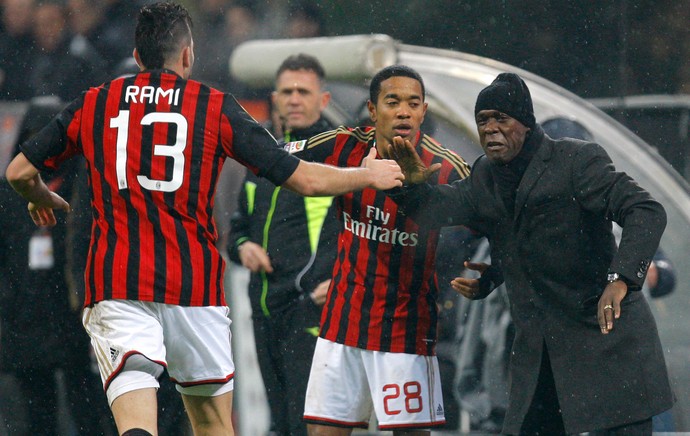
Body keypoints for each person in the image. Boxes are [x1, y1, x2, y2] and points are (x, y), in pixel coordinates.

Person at [3, 3, 404, 435]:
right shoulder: (214, 107)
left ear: (137, 57)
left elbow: (19, 172)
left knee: (136, 419)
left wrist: (38, 196)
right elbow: (303, 178)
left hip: (118, 284)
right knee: (213, 424)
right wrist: (368, 173)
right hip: (193, 288)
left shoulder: (94, 103)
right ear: (188, 56)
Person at [387, 72, 674, 435]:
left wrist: (621, 280)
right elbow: (439, 210)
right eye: (483, 120)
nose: (490, 128)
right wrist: (410, 188)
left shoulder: (576, 160)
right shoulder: (485, 178)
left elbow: (646, 211)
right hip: (542, 356)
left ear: (525, 123)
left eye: (501, 119)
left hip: (605, 342)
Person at [293, 64, 471, 434]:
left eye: (413, 103)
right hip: (342, 325)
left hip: (405, 330)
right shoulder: (343, 144)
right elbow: (278, 158)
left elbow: (489, 216)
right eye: (393, 102)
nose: (404, 111)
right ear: (373, 110)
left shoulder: (445, 166)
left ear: (424, 111)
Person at [227, 53, 337, 436]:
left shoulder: (337, 153)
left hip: (310, 308)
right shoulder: (264, 153)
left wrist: (343, 280)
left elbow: (358, 230)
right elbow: (237, 228)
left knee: (307, 420)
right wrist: (242, 247)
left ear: (322, 100)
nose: (293, 99)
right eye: (286, 91)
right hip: (263, 307)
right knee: (277, 422)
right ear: (274, 98)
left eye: (302, 92)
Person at [0, 97, 116, 435]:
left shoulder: (84, 185)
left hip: (70, 313)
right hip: (25, 315)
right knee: (36, 411)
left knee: (86, 406)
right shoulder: (9, 194)